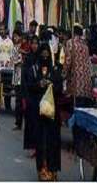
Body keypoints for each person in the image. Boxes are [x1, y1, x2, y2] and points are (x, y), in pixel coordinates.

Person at [30, 44, 63, 181]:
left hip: (52, 113)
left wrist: (51, 84)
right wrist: (39, 85)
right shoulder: (34, 69)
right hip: (38, 112)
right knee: (41, 142)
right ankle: (42, 169)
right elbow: (29, 86)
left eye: (47, 54)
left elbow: (60, 87)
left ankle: (53, 169)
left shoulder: (55, 70)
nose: (45, 57)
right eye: (42, 54)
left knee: (53, 141)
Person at [63, 24, 93, 108]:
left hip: (76, 81)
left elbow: (68, 61)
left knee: (76, 107)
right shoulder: (85, 45)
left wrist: (63, 75)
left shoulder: (70, 42)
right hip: (86, 83)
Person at [22, 34, 40, 156]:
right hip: (30, 93)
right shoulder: (28, 58)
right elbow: (24, 77)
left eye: (36, 43)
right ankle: (33, 146)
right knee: (31, 121)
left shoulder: (42, 58)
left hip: (40, 94)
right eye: (32, 43)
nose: (34, 45)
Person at [0, 24, 15, 112]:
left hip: (8, 67)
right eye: (0, 30)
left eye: (3, 29)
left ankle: (8, 105)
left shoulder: (10, 42)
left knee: (8, 86)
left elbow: (12, 54)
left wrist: (9, 63)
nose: (1, 31)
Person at [11, 30, 25, 130]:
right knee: (18, 100)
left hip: (24, 77)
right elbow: (14, 60)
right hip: (17, 77)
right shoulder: (14, 48)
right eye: (14, 36)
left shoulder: (24, 47)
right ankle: (18, 122)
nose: (15, 38)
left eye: (17, 36)